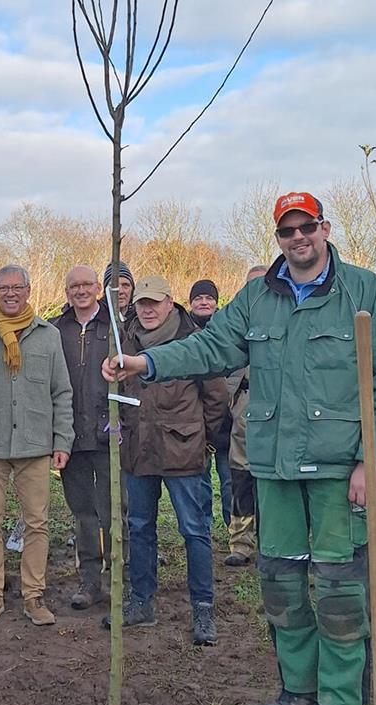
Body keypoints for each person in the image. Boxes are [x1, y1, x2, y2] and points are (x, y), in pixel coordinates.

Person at [104, 192, 376, 705]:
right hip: (273, 467)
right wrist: (145, 361)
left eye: (307, 227)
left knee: (341, 584)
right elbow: (210, 348)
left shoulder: (366, 292)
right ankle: (296, 690)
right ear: (277, 237)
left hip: (339, 468)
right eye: (287, 230)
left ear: (324, 229)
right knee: (280, 581)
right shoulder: (258, 298)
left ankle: (341, 700)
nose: (298, 238)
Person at [107, 276, 227, 645]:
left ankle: (203, 609)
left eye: (154, 303)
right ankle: (142, 602)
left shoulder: (194, 342)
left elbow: (216, 399)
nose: (147, 309)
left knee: (194, 530)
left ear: (170, 302)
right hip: (139, 452)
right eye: (141, 303)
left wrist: (203, 441)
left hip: (184, 452)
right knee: (140, 527)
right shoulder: (124, 338)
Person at [0, 265, 74, 626]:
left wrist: (63, 439)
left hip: (35, 444)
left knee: (37, 523)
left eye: (17, 287)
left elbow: (61, 391)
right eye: (3, 288)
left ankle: (33, 595)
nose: (10, 293)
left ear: (29, 291)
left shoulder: (49, 336)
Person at [52, 265, 113, 609]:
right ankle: (90, 581)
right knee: (83, 512)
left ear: (97, 288)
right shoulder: (56, 330)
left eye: (87, 284)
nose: (80, 290)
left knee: (113, 510)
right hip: (71, 436)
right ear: (67, 292)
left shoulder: (115, 328)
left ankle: (124, 577)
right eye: (73, 285)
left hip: (108, 436)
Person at [225, 265, 267, 567]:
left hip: (279, 408)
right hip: (244, 404)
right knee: (241, 476)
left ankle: (273, 540)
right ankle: (241, 541)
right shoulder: (237, 323)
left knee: (272, 478)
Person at [189, 278, 233, 529]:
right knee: (200, 480)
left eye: (208, 298)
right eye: (198, 298)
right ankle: (202, 526)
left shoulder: (227, 330)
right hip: (196, 423)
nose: (203, 302)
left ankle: (234, 528)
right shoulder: (183, 333)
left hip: (228, 421)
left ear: (216, 303)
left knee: (229, 481)